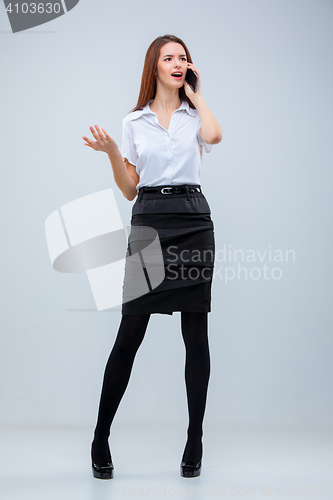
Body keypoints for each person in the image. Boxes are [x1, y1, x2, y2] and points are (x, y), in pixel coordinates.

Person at [82, 34, 222, 480]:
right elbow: (129, 188)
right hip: (150, 221)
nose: (178, 63)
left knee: (195, 334)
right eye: (169, 58)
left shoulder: (194, 115)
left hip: (194, 221)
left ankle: (194, 437)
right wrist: (110, 154)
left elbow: (215, 135)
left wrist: (197, 96)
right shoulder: (134, 121)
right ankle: (101, 435)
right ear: (154, 67)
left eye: (183, 58)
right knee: (129, 335)